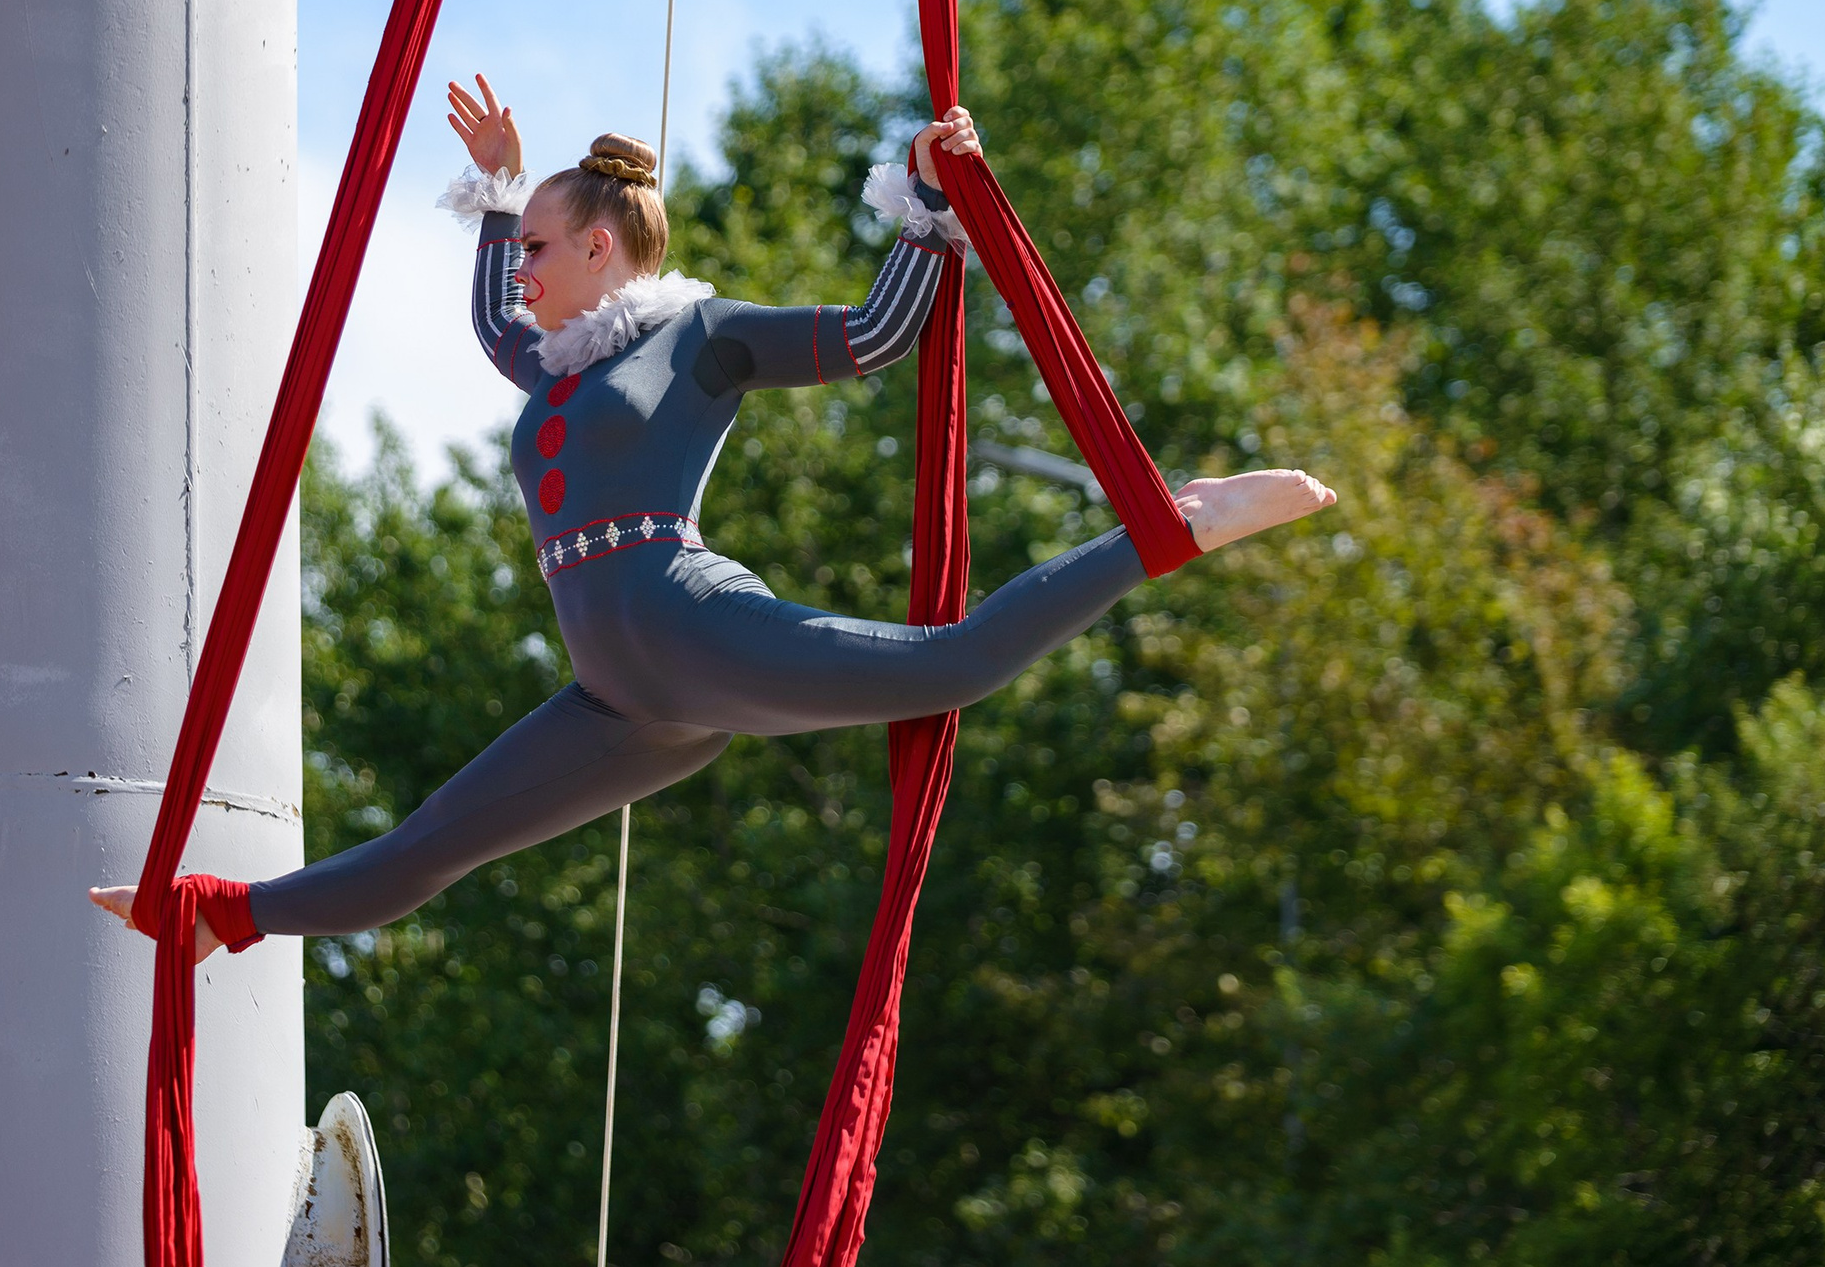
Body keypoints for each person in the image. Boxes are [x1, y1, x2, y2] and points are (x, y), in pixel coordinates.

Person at [92, 75, 1334, 957]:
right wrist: (498, 191)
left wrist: (925, 203)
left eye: (538, 246)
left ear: (600, 247)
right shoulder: (552, 365)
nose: (522, 269)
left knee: (949, 664)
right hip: (622, 700)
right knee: (429, 845)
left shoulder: (700, 333)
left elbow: (875, 336)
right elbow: (490, 318)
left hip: (690, 621)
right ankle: (218, 916)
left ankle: (1169, 523)